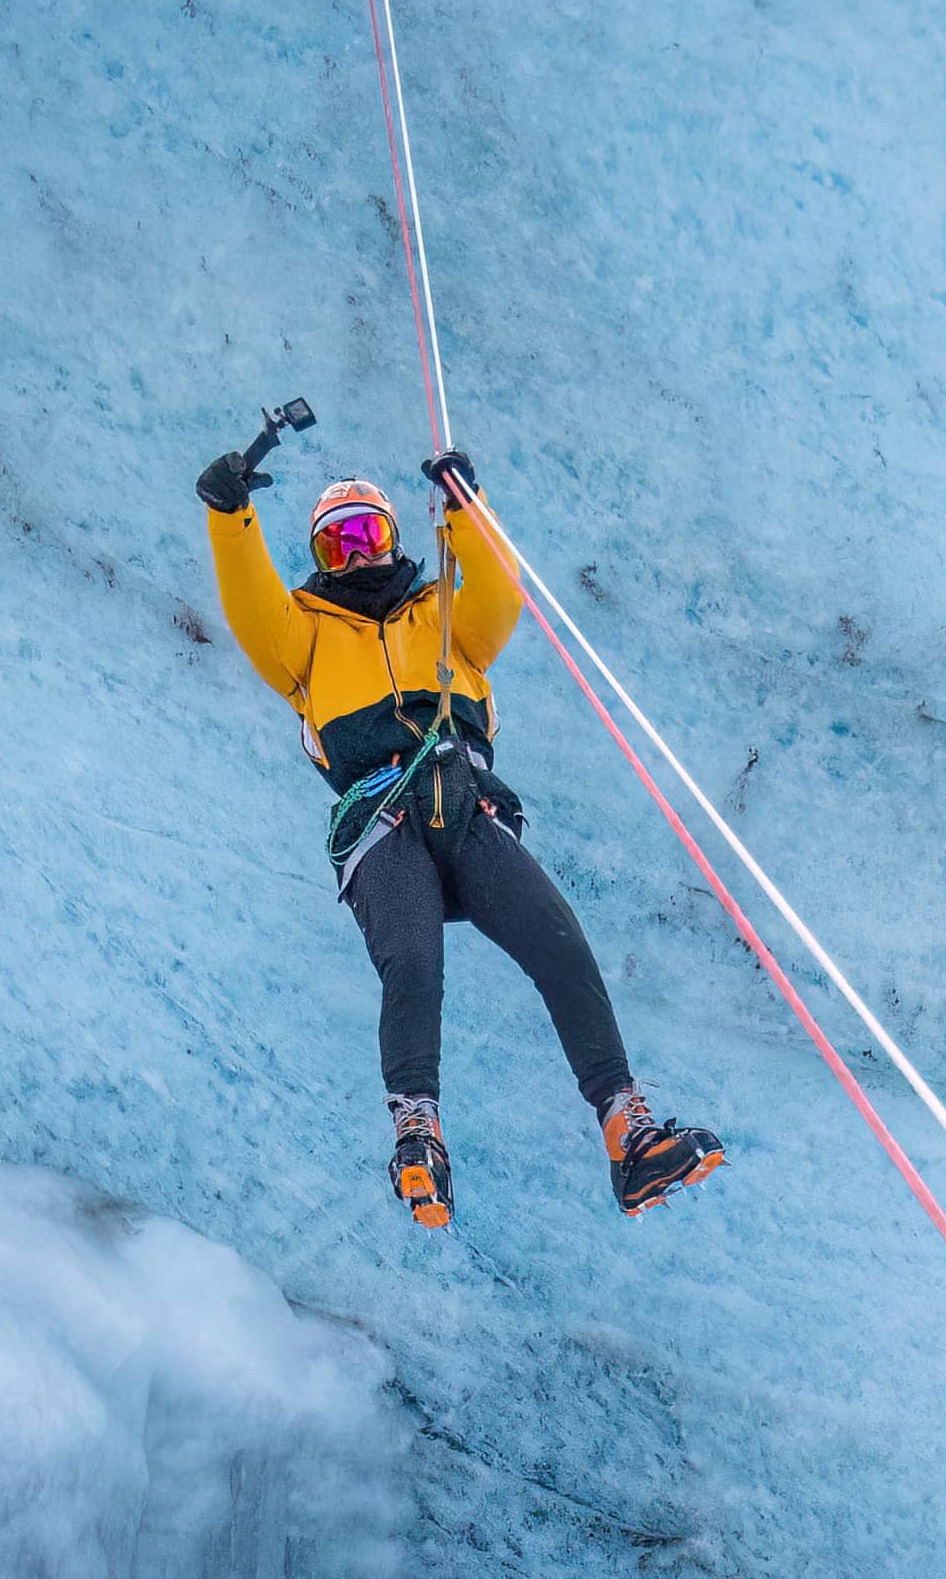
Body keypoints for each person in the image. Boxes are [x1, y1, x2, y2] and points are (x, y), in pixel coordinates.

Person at [195, 427, 726, 1228]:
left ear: (392, 537)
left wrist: (464, 510)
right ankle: (418, 1131)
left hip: (465, 802)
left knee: (560, 945)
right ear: (321, 560)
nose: (355, 552)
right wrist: (230, 517)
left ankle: (628, 1131)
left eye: (367, 533)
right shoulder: (300, 636)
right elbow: (250, 603)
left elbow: (498, 592)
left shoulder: (444, 615)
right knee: (412, 959)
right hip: (381, 820)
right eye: (336, 544)